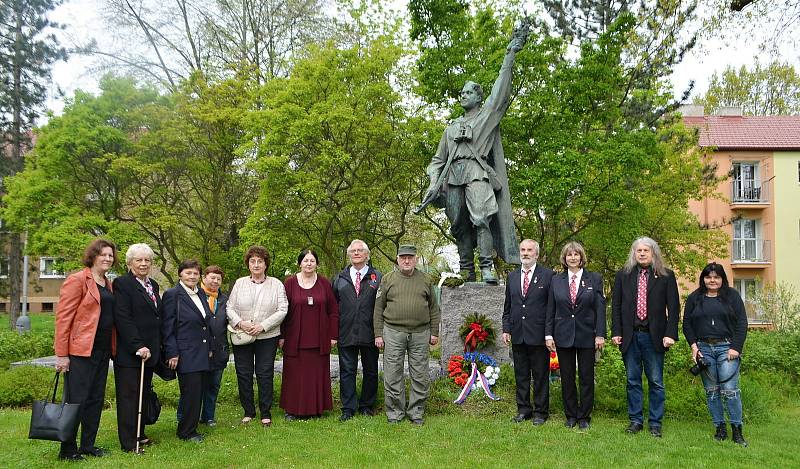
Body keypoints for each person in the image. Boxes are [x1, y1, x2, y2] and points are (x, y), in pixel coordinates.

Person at [419, 26, 531, 283]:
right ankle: (466, 270)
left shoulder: (486, 116)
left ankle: (487, 267)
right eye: (462, 92)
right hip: (453, 177)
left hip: (478, 172)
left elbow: (501, 92)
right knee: (459, 225)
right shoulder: (450, 128)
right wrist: (432, 182)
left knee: (481, 218)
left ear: (479, 97)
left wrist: (509, 56)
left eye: (468, 92)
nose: (463, 95)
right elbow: (437, 160)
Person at [53, 239, 117, 461]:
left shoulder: (107, 283)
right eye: (104, 255)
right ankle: (67, 449)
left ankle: (88, 445)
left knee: (95, 400)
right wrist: (62, 354)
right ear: (93, 256)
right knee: (76, 400)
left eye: (111, 255)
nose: (108, 258)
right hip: (80, 352)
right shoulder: (78, 280)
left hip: (102, 350)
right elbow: (64, 319)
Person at [611, 237, 680, 437]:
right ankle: (635, 421)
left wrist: (670, 334)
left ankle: (655, 423)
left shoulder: (666, 275)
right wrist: (616, 332)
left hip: (655, 337)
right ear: (634, 253)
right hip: (630, 336)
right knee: (633, 380)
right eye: (638, 250)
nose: (642, 253)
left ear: (653, 253)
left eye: (646, 251)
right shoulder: (623, 275)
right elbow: (615, 306)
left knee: (656, 381)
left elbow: (674, 308)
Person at [374, 244, 441, 425]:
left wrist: (434, 332)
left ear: (416, 259)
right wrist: (378, 334)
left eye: (410, 257)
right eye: (403, 257)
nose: (406, 260)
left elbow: (434, 308)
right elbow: (378, 308)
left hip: (420, 333)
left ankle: (416, 412)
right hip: (393, 332)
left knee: (420, 374)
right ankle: (395, 413)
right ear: (397, 259)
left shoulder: (426, 280)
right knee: (393, 373)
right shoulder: (387, 279)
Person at [683, 263, 748, 446]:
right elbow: (687, 324)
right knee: (712, 391)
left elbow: (742, 322)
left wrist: (736, 347)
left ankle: (737, 430)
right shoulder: (695, 298)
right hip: (704, 349)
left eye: (716, 277)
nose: (712, 280)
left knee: (730, 390)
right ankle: (720, 428)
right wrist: (694, 347)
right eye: (709, 277)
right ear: (703, 278)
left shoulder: (732, 296)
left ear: (722, 279)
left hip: (727, 348)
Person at [545, 241, 605, 430]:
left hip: (587, 334)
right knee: (567, 377)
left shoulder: (594, 279)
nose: (572, 257)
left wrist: (600, 334)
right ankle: (571, 415)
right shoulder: (556, 280)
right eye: (569, 255)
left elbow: (600, 309)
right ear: (564, 258)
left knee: (586, 377)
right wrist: (548, 334)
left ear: (581, 257)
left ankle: (584, 416)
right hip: (563, 335)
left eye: (576, 254)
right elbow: (550, 309)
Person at [226, 246, 287, 427]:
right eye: (252, 261)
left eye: (260, 261)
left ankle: (265, 412)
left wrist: (262, 326)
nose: (256, 264)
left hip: (267, 336)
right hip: (242, 335)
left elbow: (283, 309)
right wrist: (240, 323)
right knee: (243, 373)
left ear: (266, 264)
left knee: (264, 373)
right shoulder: (240, 283)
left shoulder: (276, 284)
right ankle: (248, 411)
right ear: (248, 264)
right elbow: (229, 307)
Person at [113, 243, 162, 452]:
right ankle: (128, 442)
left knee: (142, 394)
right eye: (138, 260)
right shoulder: (122, 284)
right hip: (132, 352)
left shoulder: (153, 285)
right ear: (129, 262)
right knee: (128, 398)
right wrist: (138, 345)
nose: (143, 264)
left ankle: (139, 434)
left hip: (149, 352)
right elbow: (123, 318)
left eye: (147, 260)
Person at [280, 249, 339, 419]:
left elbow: (333, 311)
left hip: (319, 339)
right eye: (305, 260)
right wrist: (281, 336)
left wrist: (333, 336)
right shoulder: (289, 283)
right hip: (294, 339)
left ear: (317, 264)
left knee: (315, 376)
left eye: (312, 261)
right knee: (295, 376)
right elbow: (282, 311)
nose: (309, 264)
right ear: (299, 263)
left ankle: (316, 409)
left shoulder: (325, 283)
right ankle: (292, 410)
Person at [502, 239, 554, 425]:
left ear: (536, 254)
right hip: (518, 333)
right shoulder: (512, 276)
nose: (525, 253)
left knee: (540, 375)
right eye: (522, 250)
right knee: (521, 374)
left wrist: (549, 334)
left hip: (539, 335)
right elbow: (508, 305)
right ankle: (524, 409)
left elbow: (551, 308)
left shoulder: (548, 275)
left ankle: (541, 412)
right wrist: (506, 328)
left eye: (529, 250)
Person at [162, 259, 214, 442]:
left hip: (201, 351)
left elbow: (205, 324)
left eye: (195, 273)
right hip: (185, 352)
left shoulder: (199, 294)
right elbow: (167, 327)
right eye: (188, 273)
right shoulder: (172, 295)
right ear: (180, 275)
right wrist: (172, 352)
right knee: (190, 393)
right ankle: (186, 432)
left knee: (198, 391)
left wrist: (209, 347)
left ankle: (191, 426)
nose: (192, 276)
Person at [333, 239, 382, 421]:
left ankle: (367, 406)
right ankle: (348, 408)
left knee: (370, 371)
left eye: (360, 250)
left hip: (370, 332)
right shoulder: (339, 278)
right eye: (353, 250)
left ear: (367, 254)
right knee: (347, 371)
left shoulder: (377, 277)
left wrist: (380, 332)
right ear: (348, 254)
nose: (356, 253)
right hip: (346, 332)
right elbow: (333, 307)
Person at [176, 265, 229, 426]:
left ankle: (208, 416)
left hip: (219, 349)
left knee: (213, 385)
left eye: (219, 279)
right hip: (198, 350)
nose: (215, 281)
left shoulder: (225, 300)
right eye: (212, 277)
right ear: (204, 278)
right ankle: (184, 416)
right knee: (193, 386)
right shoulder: (195, 296)